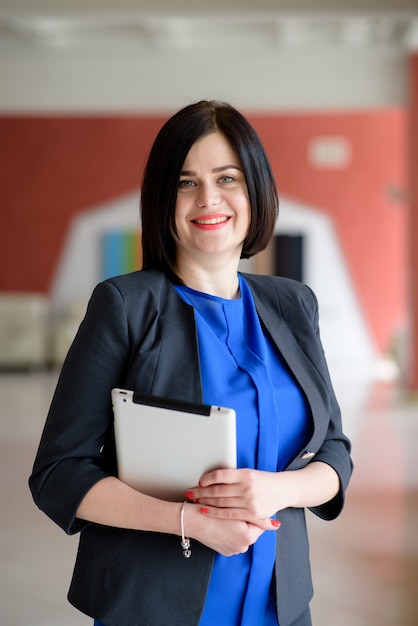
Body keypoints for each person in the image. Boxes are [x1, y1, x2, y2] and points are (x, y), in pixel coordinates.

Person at [29, 100, 353, 626]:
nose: (209, 199)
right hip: (154, 607)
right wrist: (189, 521)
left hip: (281, 604)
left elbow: (334, 450)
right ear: (163, 198)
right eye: (185, 182)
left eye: (228, 177)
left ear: (256, 191)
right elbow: (59, 473)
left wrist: (279, 489)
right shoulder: (125, 305)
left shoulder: (293, 304)